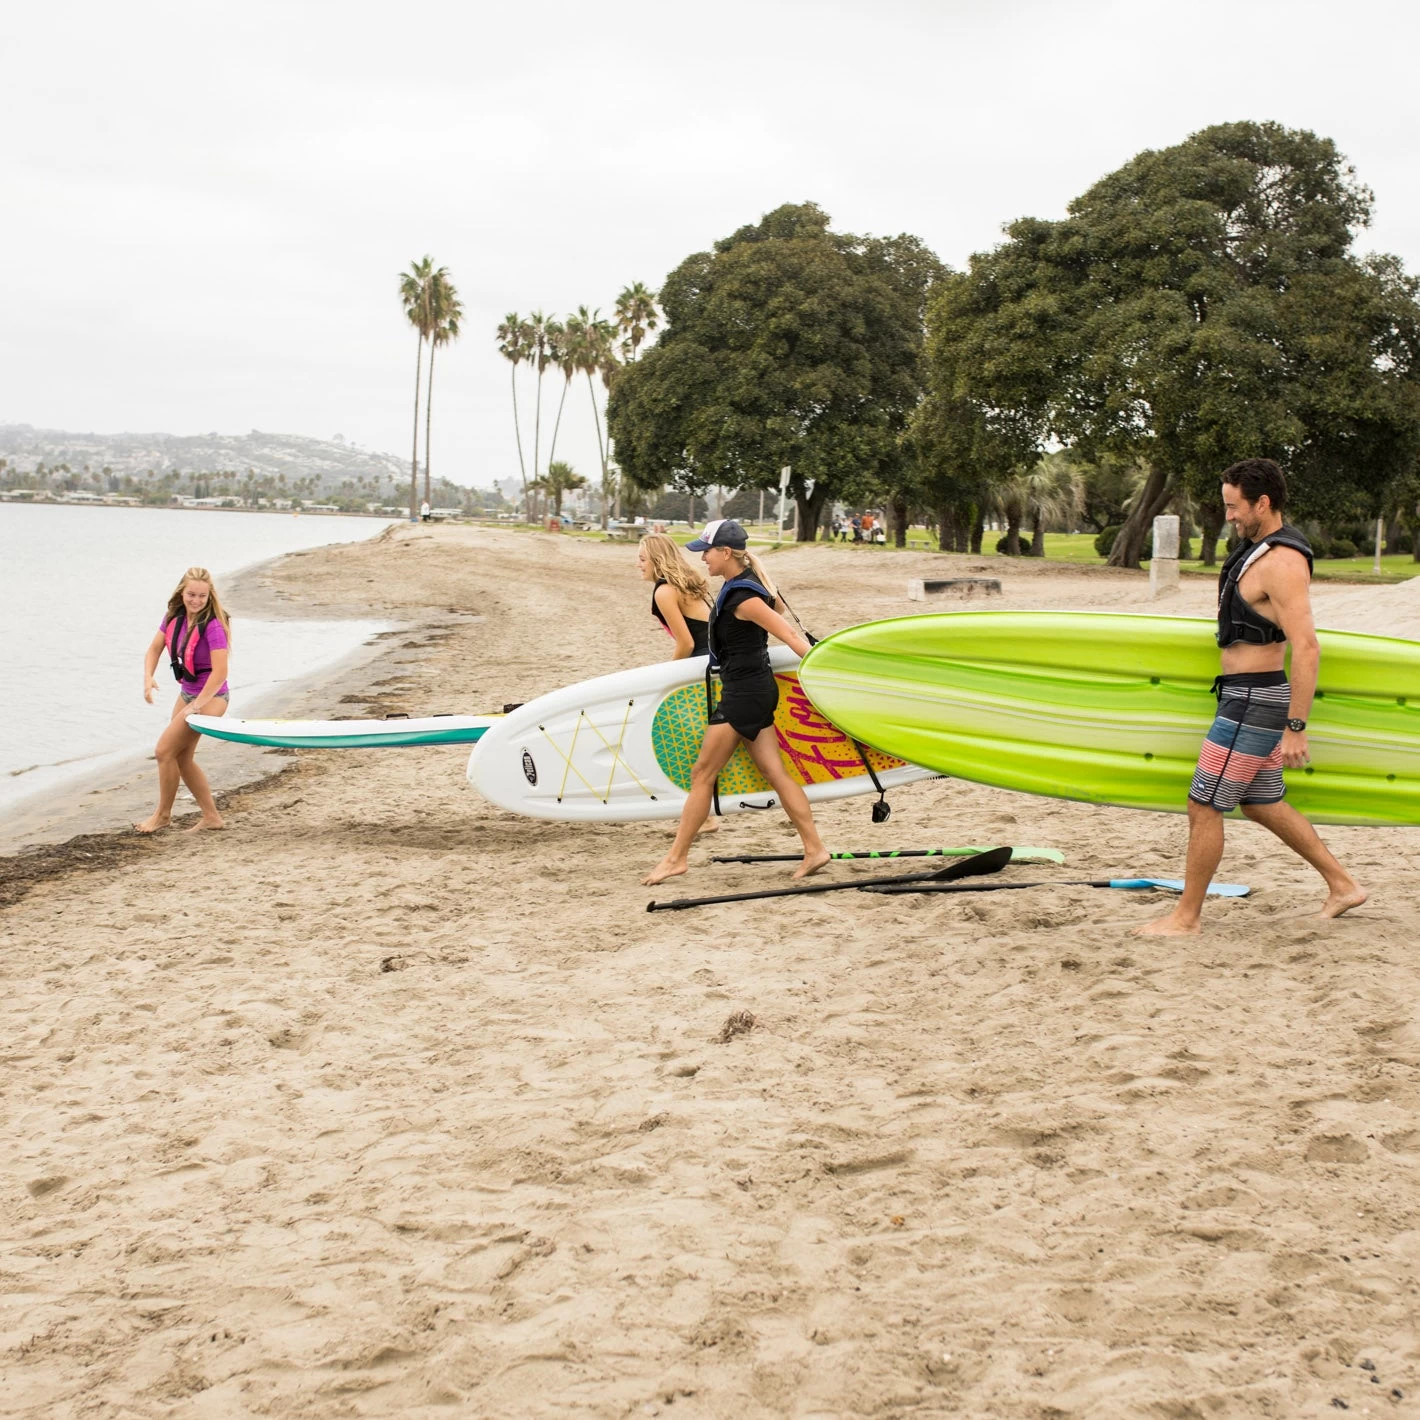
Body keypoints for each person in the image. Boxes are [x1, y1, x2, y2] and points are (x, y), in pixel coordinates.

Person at [1136, 458, 1366, 935]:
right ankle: (1343, 886)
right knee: (1259, 803)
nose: (1230, 516)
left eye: (1235, 507)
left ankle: (1187, 917)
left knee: (1204, 805)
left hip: (1252, 703)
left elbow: (1306, 646)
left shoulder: (1281, 562)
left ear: (1263, 502)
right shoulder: (1258, 551)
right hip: (1244, 698)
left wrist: (1296, 727)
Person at [642, 519, 830, 885]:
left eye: (707, 552)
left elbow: (789, 634)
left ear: (726, 553)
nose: (702, 560)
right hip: (750, 690)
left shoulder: (744, 597)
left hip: (746, 694)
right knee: (774, 772)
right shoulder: (737, 585)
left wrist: (823, 673)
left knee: (702, 774)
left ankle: (676, 858)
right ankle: (815, 849)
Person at [135, 567, 232, 834]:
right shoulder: (173, 618)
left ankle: (162, 815)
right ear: (182, 592)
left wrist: (198, 704)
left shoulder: (213, 625)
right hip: (188, 694)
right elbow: (155, 648)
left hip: (212, 698)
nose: (196, 601)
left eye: (202, 596)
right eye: (191, 594)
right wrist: (148, 677)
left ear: (209, 595)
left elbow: (220, 672)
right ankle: (212, 817)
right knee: (181, 757)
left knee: (163, 751)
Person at [637, 532, 711, 659]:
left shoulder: (664, 591)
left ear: (658, 560)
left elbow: (687, 644)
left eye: (643, 560)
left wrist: (671, 671)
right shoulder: (683, 583)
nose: (638, 564)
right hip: (717, 654)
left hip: (704, 659)